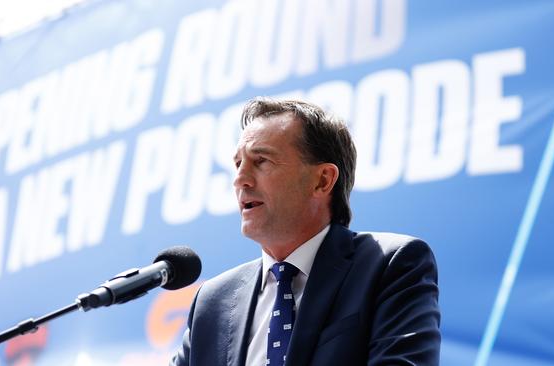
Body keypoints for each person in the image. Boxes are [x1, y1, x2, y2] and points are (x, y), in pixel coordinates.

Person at [170, 97, 441, 365]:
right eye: (239, 163)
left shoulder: (389, 265)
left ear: (322, 180)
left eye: (261, 161)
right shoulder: (213, 301)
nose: (240, 179)